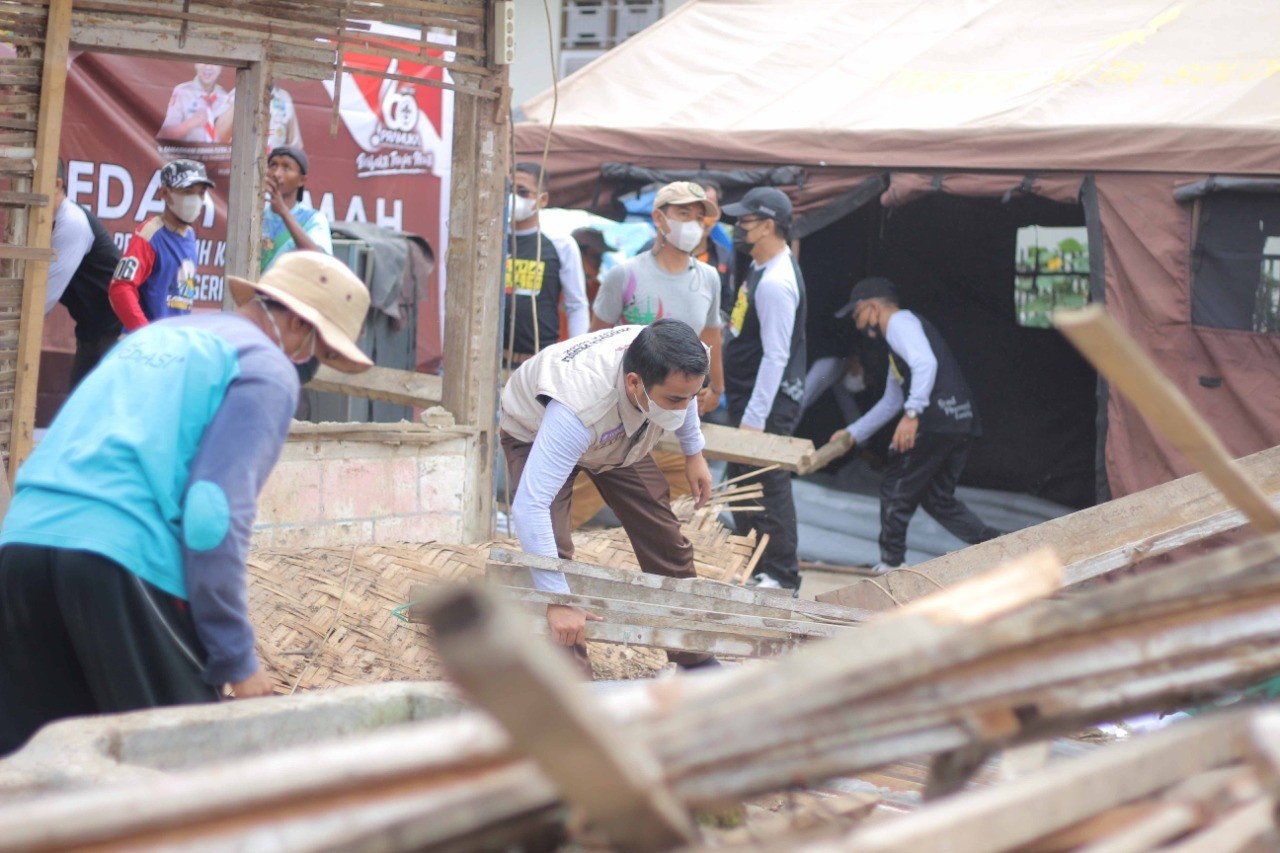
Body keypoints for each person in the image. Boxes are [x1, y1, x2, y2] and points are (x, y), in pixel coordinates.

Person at [0, 252, 374, 756]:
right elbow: (209, 516)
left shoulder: (153, 338)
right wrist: (236, 657)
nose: (309, 364)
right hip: (122, 562)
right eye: (320, 349)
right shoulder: (266, 369)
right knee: (184, 773)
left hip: (21, 545)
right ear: (297, 322)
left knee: (37, 773)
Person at [500, 320, 717, 677]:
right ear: (634, 383)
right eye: (674, 400)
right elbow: (530, 505)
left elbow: (685, 394)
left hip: (618, 437)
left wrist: (694, 452)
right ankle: (574, 684)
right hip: (538, 429)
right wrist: (558, 600)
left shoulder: (672, 362)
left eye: (690, 397)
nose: (684, 407)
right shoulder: (578, 410)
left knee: (665, 537)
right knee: (551, 550)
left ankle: (695, 661)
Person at [573, 182, 724, 528]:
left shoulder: (709, 279)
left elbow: (712, 333)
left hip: (683, 406)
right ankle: (546, 540)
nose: (692, 223)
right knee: (599, 477)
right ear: (659, 218)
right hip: (628, 404)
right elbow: (596, 340)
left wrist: (716, 387)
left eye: (699, 216)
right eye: (683, 213)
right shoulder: (624, 275)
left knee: (683, 492)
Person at [828, 276, 1001, 572]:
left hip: (936, 421)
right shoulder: (900, 341)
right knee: (938, 500)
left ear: (872, 308)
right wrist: (853, 433)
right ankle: (1001, 548)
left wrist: (912, 415)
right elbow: (891, 401)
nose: (857, 324)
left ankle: (891, 564)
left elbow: (925, 365)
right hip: (959, 420)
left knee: (896, 487)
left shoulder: (899, 324)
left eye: (856, 315)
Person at [721, 187, 807, 591]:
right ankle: (756, 568)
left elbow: (776, 356)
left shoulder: (776, 282)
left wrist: (754, 420)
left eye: (745, 221)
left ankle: (782, 575)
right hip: (746, 398)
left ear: (768, 226)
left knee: (766, 484)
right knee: (740, 485)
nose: (738, 229)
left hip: (766, 406)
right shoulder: (758, 268)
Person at [108, 159, 212, 330]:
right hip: (145, 349)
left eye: (201, 193)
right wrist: (146, 334)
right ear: (164, 193)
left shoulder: (190, 235)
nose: (196, 199)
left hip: (173, 345)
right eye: (187, 191)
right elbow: (120, 288)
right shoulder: (150, 235)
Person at [46, 159, 124, 387]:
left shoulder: (71, 222)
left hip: (113, 334)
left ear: (57, 184)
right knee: (79, 411)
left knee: (100, 414)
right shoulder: (48, 222)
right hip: (91, 332)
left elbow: (42, 299)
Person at [503, 162, 589, 366]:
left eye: (523, 192)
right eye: (509, 190)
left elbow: (576, 305)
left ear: (543, 199)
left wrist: (576, 358)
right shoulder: (491, 240)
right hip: (493, 359)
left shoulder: (560, 244)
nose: (514, 197)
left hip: (540, 363)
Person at [260, 145, 332, 272]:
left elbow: (320, 262)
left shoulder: (313, 219)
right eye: (273, 165)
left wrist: (283, 212)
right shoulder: (257, 217)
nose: (276, 174)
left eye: (286, 167)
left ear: (301, 180)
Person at [158, 63, 231, 143]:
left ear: (220, 68)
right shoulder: (182, 92)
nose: (208, 67)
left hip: (216, 153)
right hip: (187, 154)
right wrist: (191, 123)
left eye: (214, 63)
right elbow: (164, 135)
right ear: (196, 64)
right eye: (204, 61)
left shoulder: (223, 96)